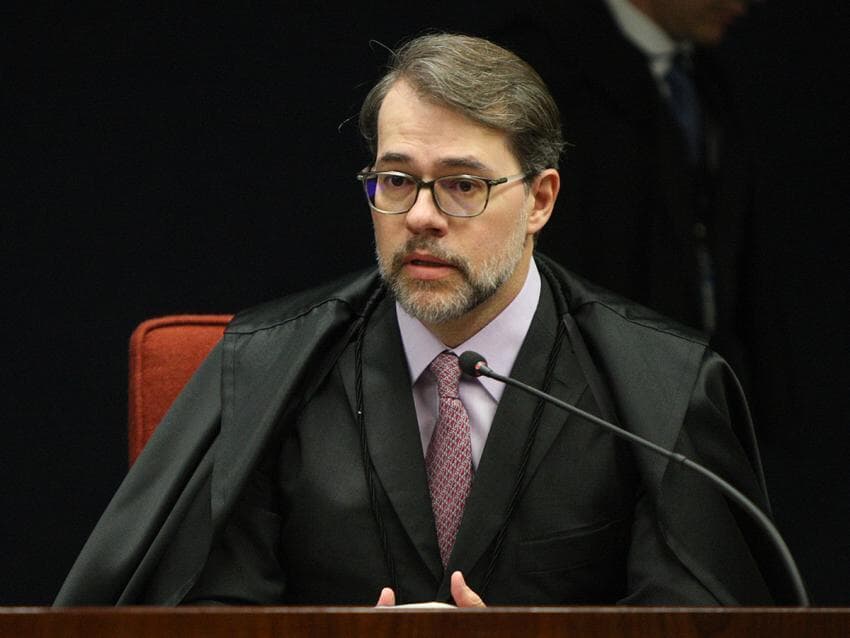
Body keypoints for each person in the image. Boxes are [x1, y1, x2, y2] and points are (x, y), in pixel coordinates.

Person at [55, 32, 780, 607]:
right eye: (397, 180)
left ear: (540, 200)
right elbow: (208, 610)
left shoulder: (661, 387)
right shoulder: (266, 371)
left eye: (462, 185)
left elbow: (695, 618)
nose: (422, 216)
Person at [492, 0, 755, 379]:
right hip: (586, 380)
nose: (742, 5)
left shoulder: (709, 82)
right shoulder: (538, 68)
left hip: (689, 376)